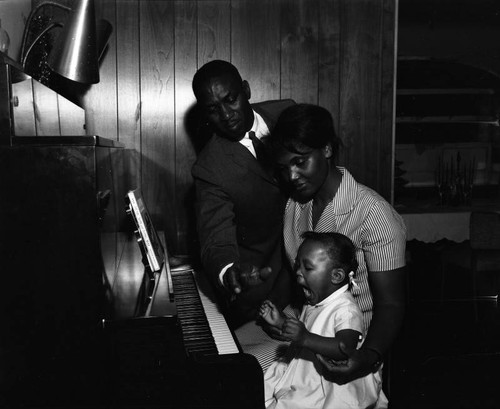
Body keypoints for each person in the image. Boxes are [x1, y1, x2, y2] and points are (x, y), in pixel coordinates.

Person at [268, 103, 407, 392]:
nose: (291, 176)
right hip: (303, 339)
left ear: (328, 150)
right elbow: (289, 270)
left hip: (349, 354)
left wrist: (367, 358)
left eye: (300, 161)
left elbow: (391, 304)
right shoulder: (295, 204)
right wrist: (270, 310)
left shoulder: (373, 214)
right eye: (284, 167)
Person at [190, 60, 295, 328]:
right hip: (263, 291)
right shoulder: (209, 168)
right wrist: (228, 273)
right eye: (213, 110)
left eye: (231, 99)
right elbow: (215, 239)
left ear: (246, 90)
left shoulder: (289, 114)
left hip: (318, 275)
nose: (226, 115)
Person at [260, 231, 387, 409]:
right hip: (306, 368)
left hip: (331, 383)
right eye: (297, 265)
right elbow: (307, 330)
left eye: (308, 268)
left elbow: (345, 349)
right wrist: (280, 322)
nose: (298, 272)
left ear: (336, 276)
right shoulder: (314, 300)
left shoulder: (346, 310)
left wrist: (305, 338)